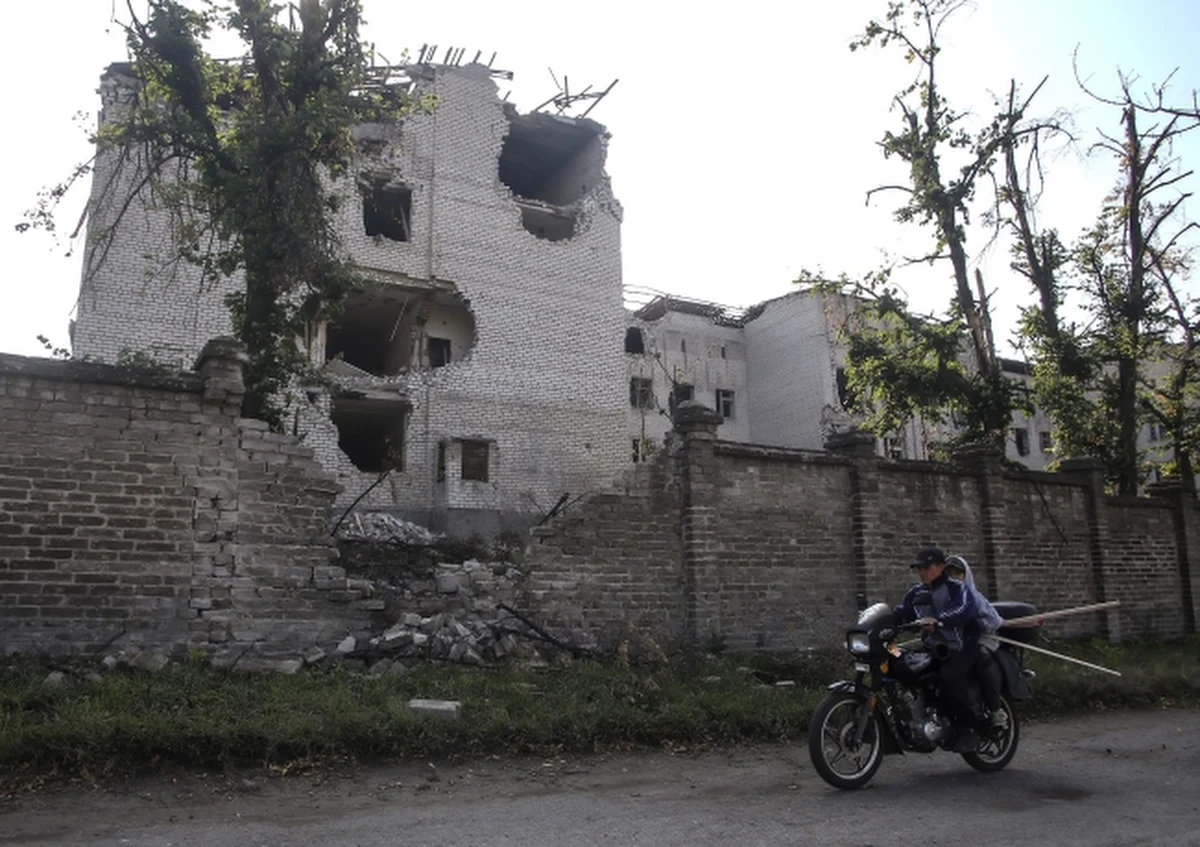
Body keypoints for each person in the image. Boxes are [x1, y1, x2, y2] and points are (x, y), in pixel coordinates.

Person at [893, 546, 981, 752]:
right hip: (933, 648)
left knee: (949, 679)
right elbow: (901, 613)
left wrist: (939, 620)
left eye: (926, 567)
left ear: (941, 567)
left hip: (960, 647)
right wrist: (879, 624)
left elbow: (965, 609)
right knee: (897, 661)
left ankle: (969, 729)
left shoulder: (957, 588)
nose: (922, 572)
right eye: (919, 568)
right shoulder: (916, 592)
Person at [945, 555, 1008, 729]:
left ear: (966, 575)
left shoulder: (974, 596)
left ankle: (995, 708)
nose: (954, 577)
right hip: (956, 642)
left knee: (981, 659)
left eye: (958, 573)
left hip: (983, 639)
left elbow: (993, 622)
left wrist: (976, 624)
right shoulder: (944, 598)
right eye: (949, 574)